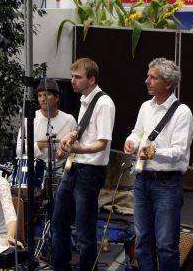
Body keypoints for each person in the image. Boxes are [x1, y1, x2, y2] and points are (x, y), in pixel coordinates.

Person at [124, 57, 193, 271]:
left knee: (166, 245)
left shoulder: (183, 113)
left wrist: (152, 152)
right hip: (142, 180)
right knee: (143, 241)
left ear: (167, 84)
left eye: (152, 78)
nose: (146, 81)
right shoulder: (146, 107)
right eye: (148, 76)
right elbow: (137, 132)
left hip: (167, 183)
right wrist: (131, 141)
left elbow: (179, 151)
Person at [51, 57, 115, 271]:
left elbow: (102, 142)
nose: (72, 81)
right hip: (74, 168)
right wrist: (70, 137)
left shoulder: (104, 103)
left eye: (77, 77)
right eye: (72, 76)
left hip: (90, 172)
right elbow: (87, 133)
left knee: (84, 231)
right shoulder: (85, 100)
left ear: (91, 79)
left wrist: (79, 149)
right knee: (59, 223)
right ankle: (60, 267)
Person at [16, 78, 77, 174]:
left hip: (60, 171)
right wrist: (41, 145)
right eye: (40, 96)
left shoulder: (69, 120)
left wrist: (65, 154)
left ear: (57, 97)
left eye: (46, 95)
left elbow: (75, 153)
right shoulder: (29, 120)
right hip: (34, 171)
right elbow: (19, 152)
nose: (42, 99)